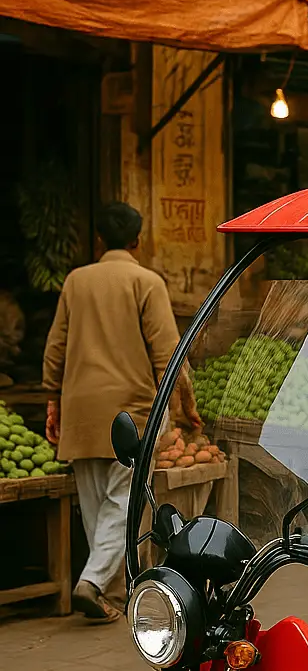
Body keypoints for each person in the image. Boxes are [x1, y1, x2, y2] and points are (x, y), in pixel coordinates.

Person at [42, 202, 199, 622]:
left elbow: (56, 347)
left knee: (95, 503)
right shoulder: (146, 281)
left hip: (80, 407)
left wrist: (52, 400)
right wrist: (184, 405)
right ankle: (93, 583)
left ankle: (103, 592)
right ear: (136, 240)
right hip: (131, 411)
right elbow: (168, 352)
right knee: (124, 501)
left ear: (98, 240)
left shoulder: (76, 281)